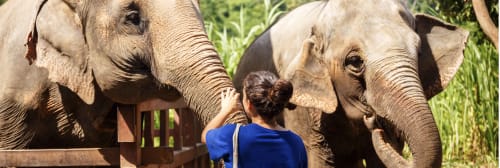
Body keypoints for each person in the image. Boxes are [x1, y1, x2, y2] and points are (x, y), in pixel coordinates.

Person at [201, 71, 307, 168]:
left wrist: (225, 110)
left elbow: (205, 136)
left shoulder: (233, 136)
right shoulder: (296, 142)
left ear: (249, 104)